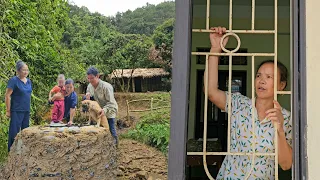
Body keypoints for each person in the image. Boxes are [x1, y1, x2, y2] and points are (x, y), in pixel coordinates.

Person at [207, 27, 292, 179]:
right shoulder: (239, 104)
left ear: (281, 85)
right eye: (259, 75)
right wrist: (215, 49)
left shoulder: (286, 118)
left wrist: (279, 129)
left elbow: (286, 164)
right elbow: (211, 92)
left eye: (269, 77)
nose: (262, 80)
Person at [85, 66, 118, 145]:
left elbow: (111, 103)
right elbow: (90, 99)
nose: (90, 80)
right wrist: (87, 97)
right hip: (98, 110)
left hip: (109, 110)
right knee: (100, 130)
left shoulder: (106, 87)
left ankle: (115, 147)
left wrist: (104, 110)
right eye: (88, 78)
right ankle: (104, 146)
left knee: (111, 129)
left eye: (92, 78)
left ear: (97, 76)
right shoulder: (89, 86)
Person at [5, 60, 32, 152]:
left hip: (26, 110)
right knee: (14, 132)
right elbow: (7, 95)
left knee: (25, 131)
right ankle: (11, 152)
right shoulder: (13, 81)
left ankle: (23, 152)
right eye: (23, 70)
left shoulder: (28, 81)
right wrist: (8, 110)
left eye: (27, 70)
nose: (25, 72)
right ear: (18, 71)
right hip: (16, 110)